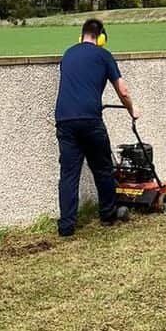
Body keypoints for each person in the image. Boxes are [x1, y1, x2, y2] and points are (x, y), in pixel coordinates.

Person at [53, 19, 139, 238]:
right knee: (102, 168)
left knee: (69, 174)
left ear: (80, 36)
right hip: (90, 120)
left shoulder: (68, 54)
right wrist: (132, 110)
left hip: (64, 121)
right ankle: (108, 215)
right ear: (101, 38)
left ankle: (66, 227)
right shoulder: (104, 55)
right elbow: (123, 90)